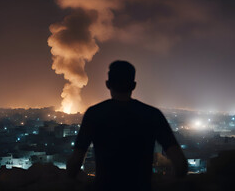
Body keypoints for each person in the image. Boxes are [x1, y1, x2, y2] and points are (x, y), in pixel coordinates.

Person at [67, 60, 187, 191]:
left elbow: (75, 162)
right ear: (134, 85)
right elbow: (180, 163)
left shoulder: (95, 114)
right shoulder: (152, 115)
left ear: (108, 84)